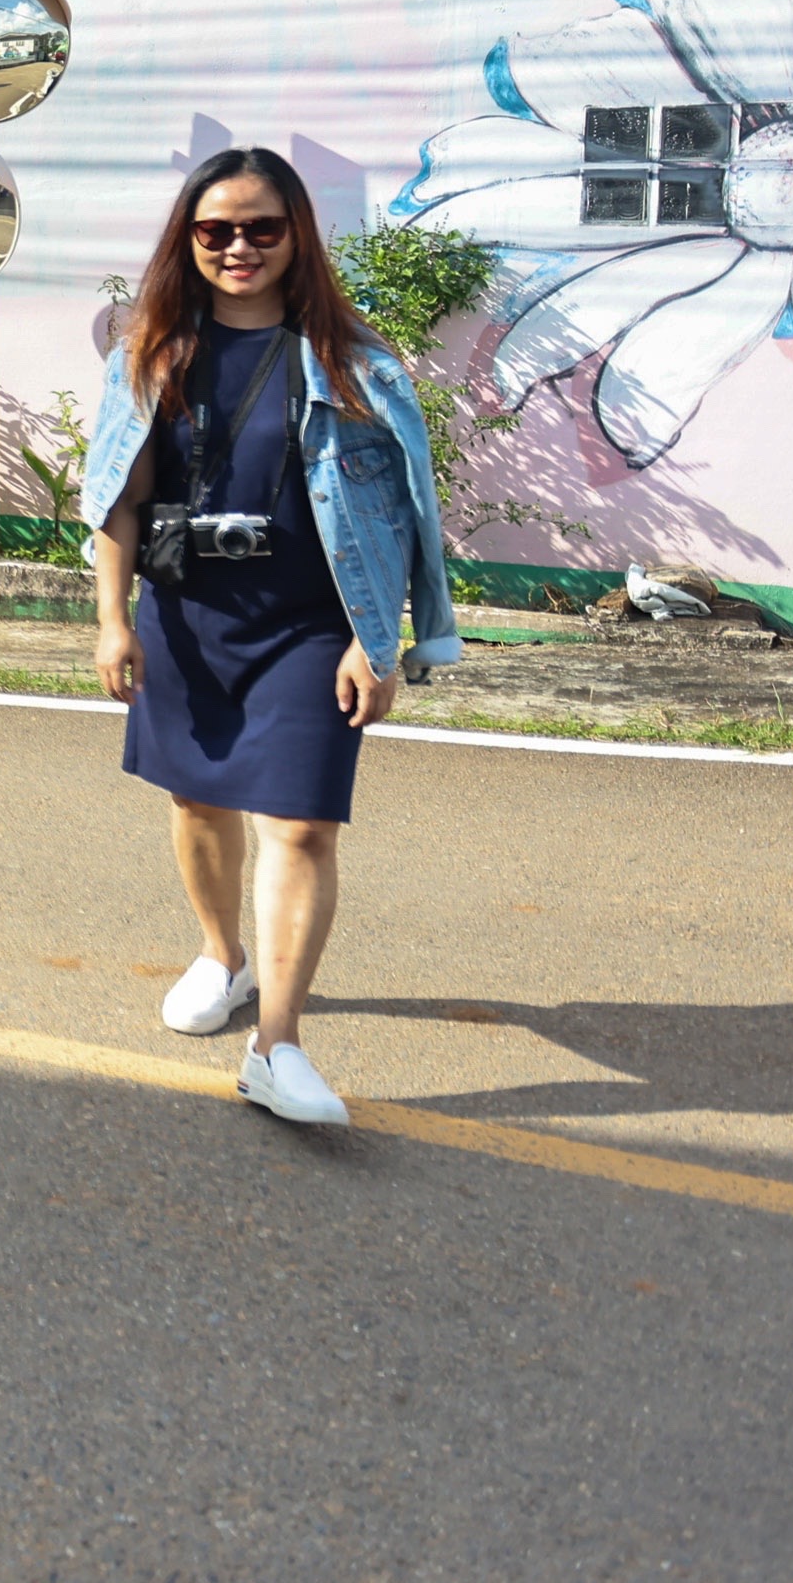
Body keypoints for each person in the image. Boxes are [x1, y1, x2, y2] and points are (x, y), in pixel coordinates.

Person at [81, 148, 458, 1129]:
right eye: (215, 230)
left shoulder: (353, 362)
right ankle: (223, 956)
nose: (238, 246)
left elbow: (402, 517)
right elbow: (117, 502)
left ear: (297, 235)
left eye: (261, 228)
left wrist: (379, 640)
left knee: (298, 825)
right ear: (188, 239)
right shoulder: (152, 353)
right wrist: (112, 621)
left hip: (310, 627)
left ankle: (276, 1046)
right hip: (186, 616)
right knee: (198, 802)